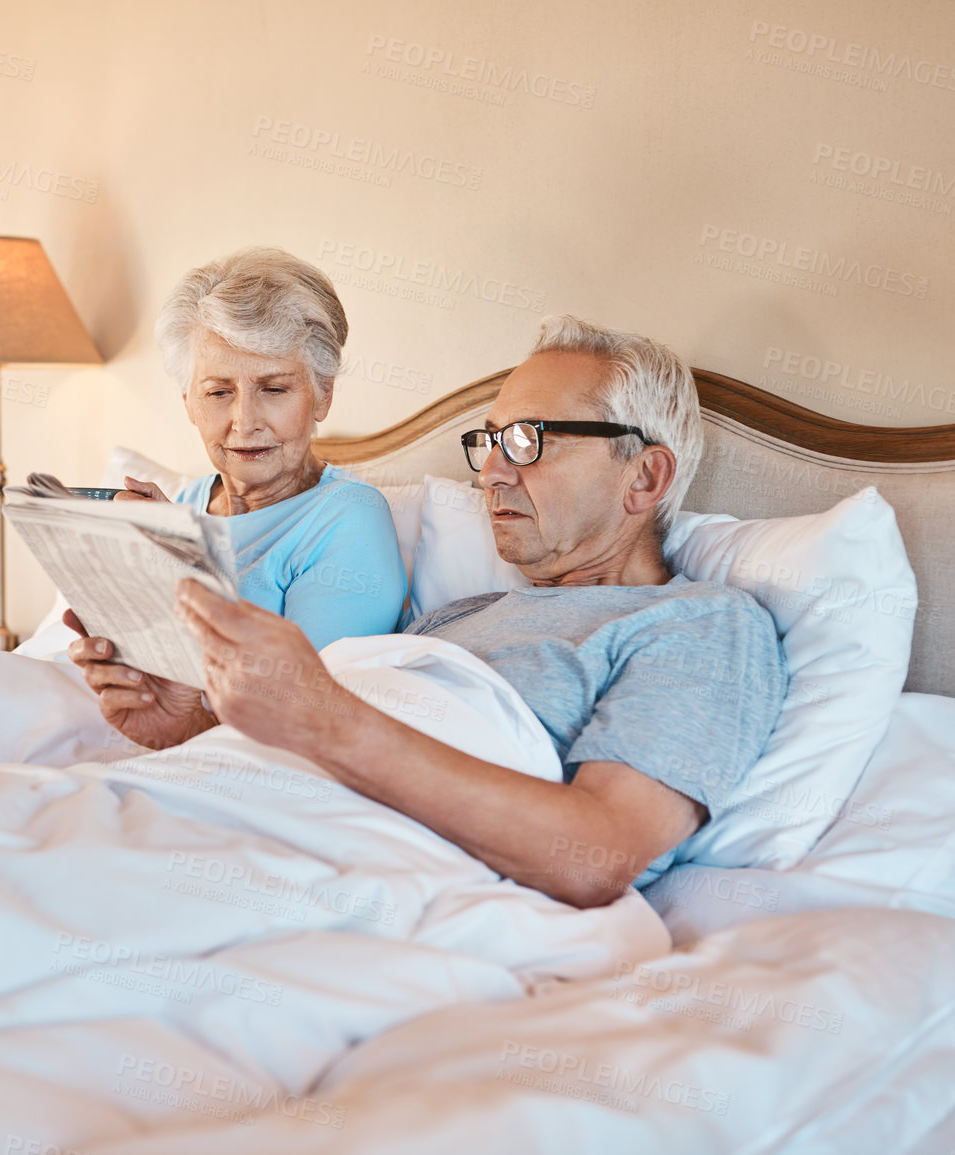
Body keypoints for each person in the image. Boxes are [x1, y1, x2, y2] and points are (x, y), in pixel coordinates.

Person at [73, 315, 788, 908]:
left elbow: (597, 853)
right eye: (489, 441)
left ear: (644, 475)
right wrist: (189, 723)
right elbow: (328, 755)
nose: (491, 471)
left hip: (343, 881)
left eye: (527, 441)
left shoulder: (700, 621)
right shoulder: (457, 617)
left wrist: (324, 713)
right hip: (230, 825)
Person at [56, 248, 405, 708]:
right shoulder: (184, 501)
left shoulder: (348, 516)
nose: (244, 422)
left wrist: (184, 567)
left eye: (274, 389)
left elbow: (303, 709)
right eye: (219, 392)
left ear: (323, 396)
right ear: (188, 403)